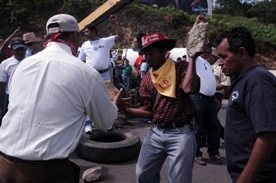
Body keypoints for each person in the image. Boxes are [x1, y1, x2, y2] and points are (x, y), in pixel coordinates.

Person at [0, 13, 123, 183]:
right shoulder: (86, 73)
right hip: (45, 172)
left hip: (4, 164)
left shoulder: (22, 66)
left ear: (47, 37)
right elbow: (106, 122)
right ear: (75, 35)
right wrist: (114, 105)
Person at [119, 30, 200, 182]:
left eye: (151, 53)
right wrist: (124, 109)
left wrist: (193, 58)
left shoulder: (181, 68)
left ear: (164, 51)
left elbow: (189, 88)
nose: (147, 58)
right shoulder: (147, 79)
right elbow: (148, 111)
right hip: (155, 132)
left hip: (181, 133)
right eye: (145, 54)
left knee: (179, 180)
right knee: (143, 174)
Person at [216, 27, 276, 183]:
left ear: (242, 53)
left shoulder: (257, 80)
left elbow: (267, 136)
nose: (220, 63)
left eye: (224, 57)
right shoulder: (243, 79)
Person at [191, 43, 222, 166]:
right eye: (206, 50)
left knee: (214, 127)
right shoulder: (195, 60)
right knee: (198, 128)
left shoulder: (208, 64)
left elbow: (208, 81)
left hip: (210, 99)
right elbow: (191, 44)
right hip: (198, 98)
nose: (208, 53)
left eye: (210, 51)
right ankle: (196, 154)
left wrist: (213, 96)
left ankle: (214, 152)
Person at [78, 14, 123, 81]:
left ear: (93, 31)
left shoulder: (105, 41)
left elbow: (120, 37)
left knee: (106, 91)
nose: (85, 34)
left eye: (87, 31)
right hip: (91, 75)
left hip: (105, 75)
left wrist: (116, 23)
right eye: (84, 32)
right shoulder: (84, 45)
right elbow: (81, 60)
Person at [0, 37, 27, 120]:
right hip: (11, 98)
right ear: (11, 50)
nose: (20, 52)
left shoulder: (31, 61)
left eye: (22, 49)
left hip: (27, 97)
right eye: (17, 50)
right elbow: (1, 85)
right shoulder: (5, 64)